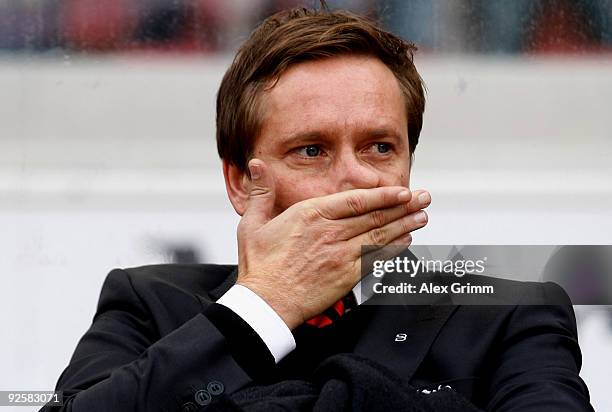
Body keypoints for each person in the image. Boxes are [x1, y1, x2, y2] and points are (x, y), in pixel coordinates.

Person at [43, 6, 593, 412]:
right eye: (312, 150)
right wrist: (266, 308)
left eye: (381, 146)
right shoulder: (150, 306)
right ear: (239, 182)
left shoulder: (509, 316)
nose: (357, 176)